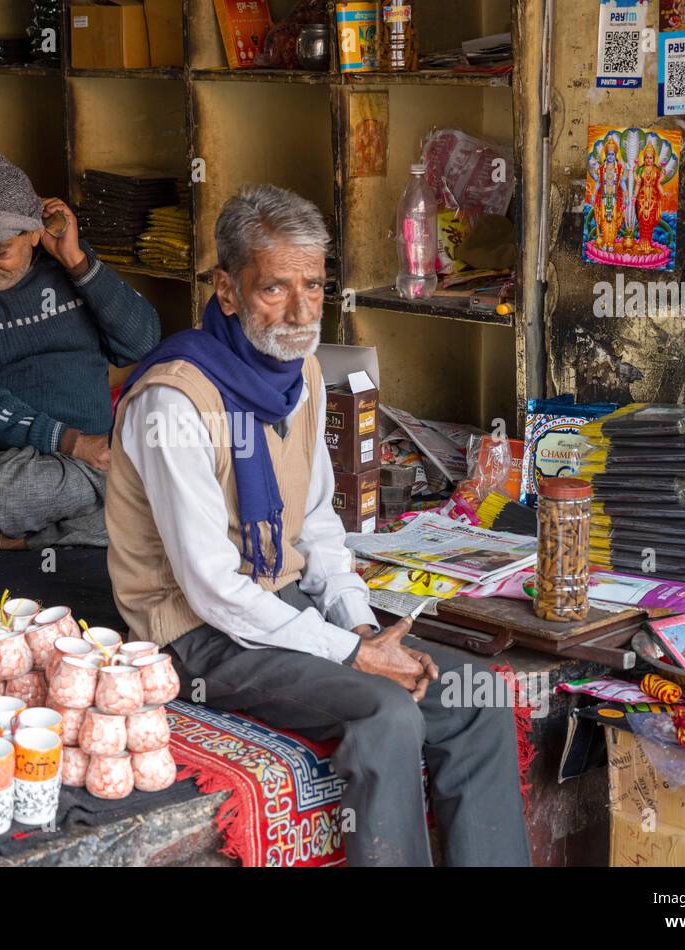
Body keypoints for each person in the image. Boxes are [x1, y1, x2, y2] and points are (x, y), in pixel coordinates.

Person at [105, 184, 531, 867]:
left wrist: (359, 626)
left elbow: (317, 524)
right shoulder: (173, 400)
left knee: (479, 701)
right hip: (199, 638)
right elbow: (212, 587)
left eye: (314, 285)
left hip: (287, 605)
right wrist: (352, 656)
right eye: (275, 289)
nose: (302, 311)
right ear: (227, 289)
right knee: (385, 710)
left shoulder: (299, 372)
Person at [0, 141, 160, 560]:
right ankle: (121, 507)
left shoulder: (70, 269)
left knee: (185, 470)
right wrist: (71, 442)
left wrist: (78, 261)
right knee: (13, 491)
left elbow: (143, 343)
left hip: (91, 461)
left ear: (34, 233)